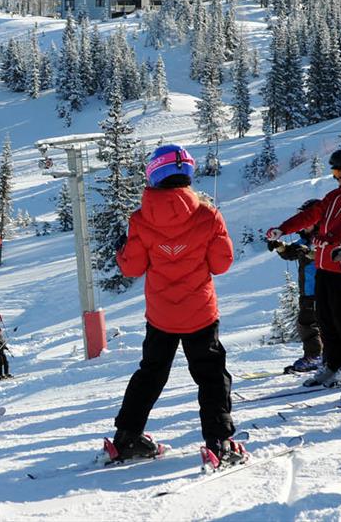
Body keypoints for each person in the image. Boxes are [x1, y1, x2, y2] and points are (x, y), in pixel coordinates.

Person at [108, 145, 243, 468]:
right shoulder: (207, 215)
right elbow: (221, 263)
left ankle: (126, 437)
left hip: (161, 315)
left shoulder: (141, 219)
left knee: (151, 373)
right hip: (200, 312)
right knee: (211, 376)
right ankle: (218, 441)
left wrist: (121, 250)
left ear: (154, 173)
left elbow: (132, 268)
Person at [267, 146, 341, 389]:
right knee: (325, 318)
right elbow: (313, 213)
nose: (335, 176)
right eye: (334, 171)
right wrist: (283, 229)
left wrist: (333, 238)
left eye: (339, 171)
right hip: (326, 266)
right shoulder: (337, 195)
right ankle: (332, 363)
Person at [269, 200, 321, 373]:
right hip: (307, 290)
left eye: (307, 219)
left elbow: (322, 255)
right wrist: (280, 247)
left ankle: (316, 356)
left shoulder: (322, 238)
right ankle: (319, 356)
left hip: (319, 289)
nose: (303, 224)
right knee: (307, 323)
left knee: (308, 323)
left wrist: (307, 252)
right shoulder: (305, 239)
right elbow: (292, 253)